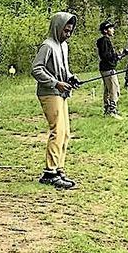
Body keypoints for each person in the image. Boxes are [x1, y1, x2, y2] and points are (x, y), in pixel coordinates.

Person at [31, 12, 80, 189]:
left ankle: (59, 169)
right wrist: (55, 83)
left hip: (60, 93)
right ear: (57, 27)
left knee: (65, 132)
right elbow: (36, 69)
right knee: (57, 131)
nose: (67, 34)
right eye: (65, 31)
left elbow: (63, 69)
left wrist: (70, 78)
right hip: (49, 93)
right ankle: (49, 173)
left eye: (70, 31)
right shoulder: (47, 46)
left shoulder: (64, 46)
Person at [96, 21, 124, 118]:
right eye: (111, 28)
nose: (113, 30)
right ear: (105, 30)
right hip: (108, 69)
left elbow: (108, 55)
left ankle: (107, 110)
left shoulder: (105, 41)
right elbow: (106, 56)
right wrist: (116, 55)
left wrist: (119, 56)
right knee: (114, 89)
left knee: (108, 90)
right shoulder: (105, 41)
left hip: (106, 68)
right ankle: (112, 111)